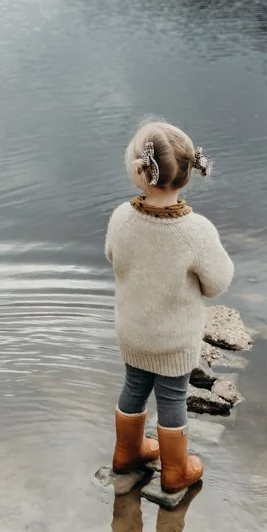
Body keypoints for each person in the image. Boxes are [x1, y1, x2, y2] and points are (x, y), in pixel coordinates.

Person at [106, 120, 234, 498]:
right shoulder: (196, 231)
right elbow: (217, 283)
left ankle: (126, 453)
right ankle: (175, 471)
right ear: (188, 174)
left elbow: (113, 257)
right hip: (174, 340)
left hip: (133, 331)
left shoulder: (121, 217)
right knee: (173, 397)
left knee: (134, 385)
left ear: (138, 170)